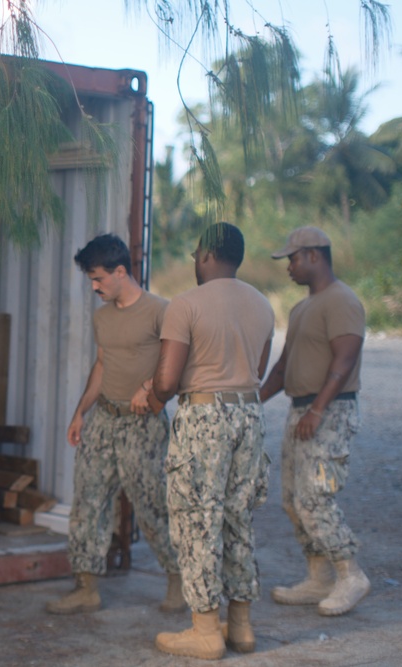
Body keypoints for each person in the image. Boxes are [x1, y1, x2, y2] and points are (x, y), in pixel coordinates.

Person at [149, 222, 274, 660]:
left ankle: (204, 631)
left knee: (196, 520)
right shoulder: (263, 304)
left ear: (204, 256)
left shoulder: (185, 305)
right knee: (238, 518)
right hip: (249, 414)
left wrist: (149, 393)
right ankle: (240, 627)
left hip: (204, 416)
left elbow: (166, 382)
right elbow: (258, 367)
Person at [47, 234, 185, 615]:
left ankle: (178, 578)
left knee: (152, 504)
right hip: (104, 418)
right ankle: (86, 586)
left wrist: (149, 388)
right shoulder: (102, 316)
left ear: (120, 272)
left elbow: (176, 364)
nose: (93, 287)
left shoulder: (162, 311)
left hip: (142, 423)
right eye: (91, 280)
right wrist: (80, 412)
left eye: (98, 279)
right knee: (88, 500)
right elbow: (102, 365)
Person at [259, 226, 371, 617]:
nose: (288, 266)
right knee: (292, 500)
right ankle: (319, 576)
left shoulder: (342, 301)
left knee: (314, 497)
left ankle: (350, 574)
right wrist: (252, 401)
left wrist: (319, 410)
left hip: (329, 411)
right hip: (302, 410)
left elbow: (346, 359)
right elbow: (284, 366)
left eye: (292, 258)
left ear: (314, 256)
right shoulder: (303, 307)